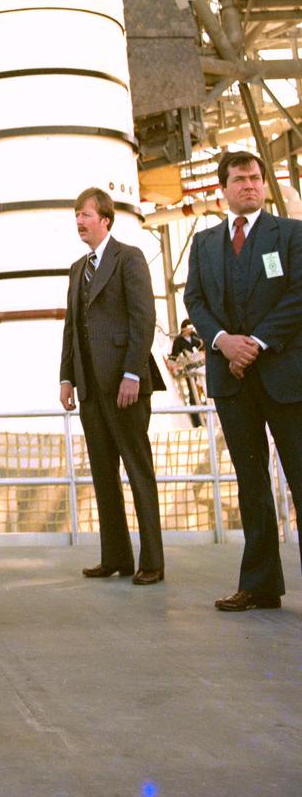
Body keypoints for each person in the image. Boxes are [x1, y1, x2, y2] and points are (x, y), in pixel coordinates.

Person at [184, 151, 302, 612]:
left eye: (255, 178)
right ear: (224, 187)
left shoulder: (290, 235)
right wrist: (221, 342)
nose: (249, 185)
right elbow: (194, 299)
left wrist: (253, 343)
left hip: (282, 375)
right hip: (232, 381)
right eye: (239, 179)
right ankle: (260, 584)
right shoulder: (205, 243)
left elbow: (298, 295)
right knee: (250, 482)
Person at [59, 187, 166, 586]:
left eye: (85, 214)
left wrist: (133, 375)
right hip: (90, 388)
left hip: (125, 385)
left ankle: (151, 560)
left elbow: (143, 318)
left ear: (105, 219)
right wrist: (66, 377)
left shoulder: (129, 258)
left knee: (138, 471)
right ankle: (116, 556)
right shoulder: (76, 269)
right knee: (104, 474)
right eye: (76, 215)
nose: (79, 221)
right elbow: (72, 328)